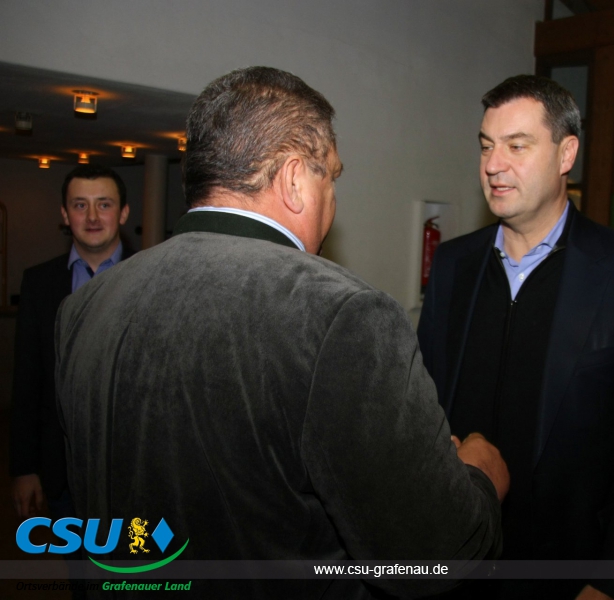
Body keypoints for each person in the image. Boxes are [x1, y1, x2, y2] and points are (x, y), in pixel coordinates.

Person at [55, 67, 508, 599]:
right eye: (331, 177)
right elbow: (429, 555)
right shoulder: (341, 313)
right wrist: (479, 477)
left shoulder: (84, 307)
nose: (333, 200)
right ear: (295, 180)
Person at [417, 74, 614, 600]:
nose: (493, 164)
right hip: (456, 556)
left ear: (567, 154)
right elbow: (425, 405)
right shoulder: (453, 264)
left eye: (517, 146)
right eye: (487, 146)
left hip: (569, 570)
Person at [10, 165, 131, 521]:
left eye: (104, 204)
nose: (92, 217)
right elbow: (27, 380)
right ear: (65, 215)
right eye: (80, 205)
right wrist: (24, 467)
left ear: (123, 213)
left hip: (133, 470)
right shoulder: (38, 284)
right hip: (61, 473)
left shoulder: (154, 278)